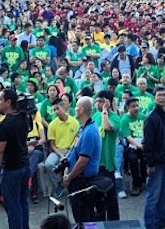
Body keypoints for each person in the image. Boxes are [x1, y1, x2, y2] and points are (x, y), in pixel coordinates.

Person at [0, 89, 31, 229]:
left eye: (0, 99)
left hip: (12, 170)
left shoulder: (5, 124)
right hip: (25, 166)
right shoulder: (24, 117)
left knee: (13, 207)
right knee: (22, 203)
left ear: (8, 102)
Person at [62, 96, 102, 223]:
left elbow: (83, 161)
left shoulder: (90, 131)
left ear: (82, 110)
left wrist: (70, 177)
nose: (74, 109)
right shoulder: (82, 128)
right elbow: (74, 150)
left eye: (77, 107)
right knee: (81, 216)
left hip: (82, 180)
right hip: (76, 178)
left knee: (84, 217)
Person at [143, 86, 165, 229]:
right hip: (156, 162)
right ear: (154, 98)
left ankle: (161, 222)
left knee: (163, 195)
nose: (162, 97)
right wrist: (151, 163)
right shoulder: (151, 118)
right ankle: (149, 225)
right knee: (153, 197)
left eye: (164, 95)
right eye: (159, 95)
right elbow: (147, 143)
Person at [93, 90, 121, 220]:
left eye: (101, 101)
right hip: (96, 163)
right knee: (98, 201)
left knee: (110, 199)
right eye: (97, 101)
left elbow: (107, 128)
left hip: (107, 163)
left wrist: (105, 111)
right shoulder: (95, 116)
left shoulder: (115, 117)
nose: (98, 103)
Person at [120, 97, 146, 196]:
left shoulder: (143, 117)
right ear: (127, 108)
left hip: (144, 142)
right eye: (133, 106)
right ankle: (136, 184)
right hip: (132, 145)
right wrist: (139, 146)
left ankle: (144, 179)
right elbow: (128, 137)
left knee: (146, 159)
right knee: (133, 159)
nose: (136, 108)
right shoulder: (125, 120)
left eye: (137, 106)